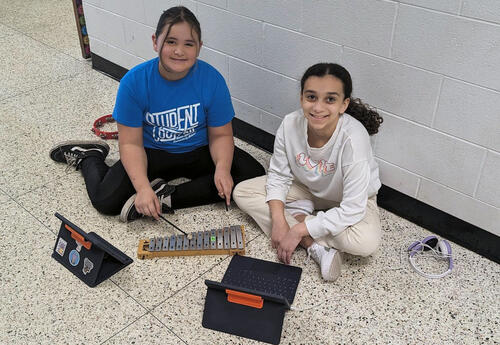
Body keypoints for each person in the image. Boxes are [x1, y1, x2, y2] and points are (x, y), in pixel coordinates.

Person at [49, 6, 265, 222]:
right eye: (171, 42)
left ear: (199, 47)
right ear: (155, 42)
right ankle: (90, 157)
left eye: (188, 44)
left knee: (253, 174)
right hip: (152, 152)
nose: (179, 51)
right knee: (105, 201)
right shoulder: (134, 83)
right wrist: (142, 188)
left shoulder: (213, 80)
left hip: (200, 149)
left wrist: (222, 169)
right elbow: (130, 145)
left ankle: (166, 198)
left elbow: (221, 135)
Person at [233, 63, 383, 282]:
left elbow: (352, 208)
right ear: (302, 97)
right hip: (306, 188)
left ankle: (301, 216)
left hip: (349, 198)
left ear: (344, 104)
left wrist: (297, 230)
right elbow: (278, 175)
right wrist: (278, 220)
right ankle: (314, 247)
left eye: (330, 99)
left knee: (366, 243)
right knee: (243, 192)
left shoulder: (354, 138)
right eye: (311, 97)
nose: (318, 108)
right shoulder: (290, 123)